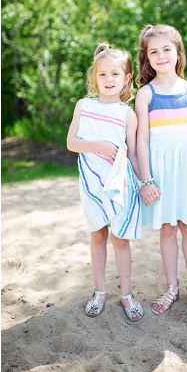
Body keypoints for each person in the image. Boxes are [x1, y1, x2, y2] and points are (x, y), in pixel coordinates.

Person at [134, 24, 187, 314]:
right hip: (160, 169)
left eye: (166, 49)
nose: (161, 56)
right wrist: (146, 180)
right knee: (168, 228)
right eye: (154, 52)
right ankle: (171, 287)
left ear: (178, 52)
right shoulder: (145, 94)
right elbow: (142, 140)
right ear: (147, 58)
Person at [66, 44, 144, 321]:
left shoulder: (128, 114)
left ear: (126, 78)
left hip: (119, 182)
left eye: (115, 74)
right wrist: (97, 146)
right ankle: (100, 291)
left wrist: (144, 182)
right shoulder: (84, 106)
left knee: (120, 239)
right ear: (94, 78)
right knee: (97, 235)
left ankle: (126, 293)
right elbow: (71, 143)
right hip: (91, 181)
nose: (108, 80)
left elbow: (132, 152)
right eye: (102, 75)